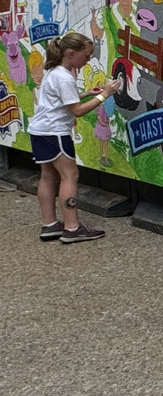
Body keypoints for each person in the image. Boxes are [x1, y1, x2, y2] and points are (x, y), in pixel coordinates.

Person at [27, 32, 120, 243]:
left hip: (40, 131)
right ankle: (72, 227)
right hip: (55, 132)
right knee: (70, 176)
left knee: (48, 176)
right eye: (86, 56)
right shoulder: (65, 77)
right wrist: (104, 95)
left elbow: (59, 101)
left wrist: (87, 93)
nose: (88, 60)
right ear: (71, 53)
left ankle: (49, 224)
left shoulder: (53, 71)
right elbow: (76, 111)